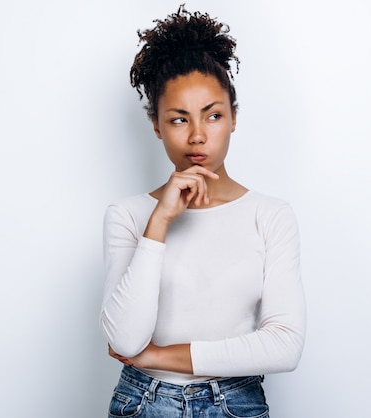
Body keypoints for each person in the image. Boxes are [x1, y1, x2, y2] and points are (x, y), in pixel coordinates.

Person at [100, 5, 306, 417]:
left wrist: (159, 356)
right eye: (178, 120)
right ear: (156, 125)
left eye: (213, 115)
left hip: (236, 403)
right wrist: (159, 222)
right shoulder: (128, 215)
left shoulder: (270, 215)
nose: (197, 136)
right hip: (143, 403)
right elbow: (124, 341)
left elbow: (284, 345)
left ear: (233, 118)